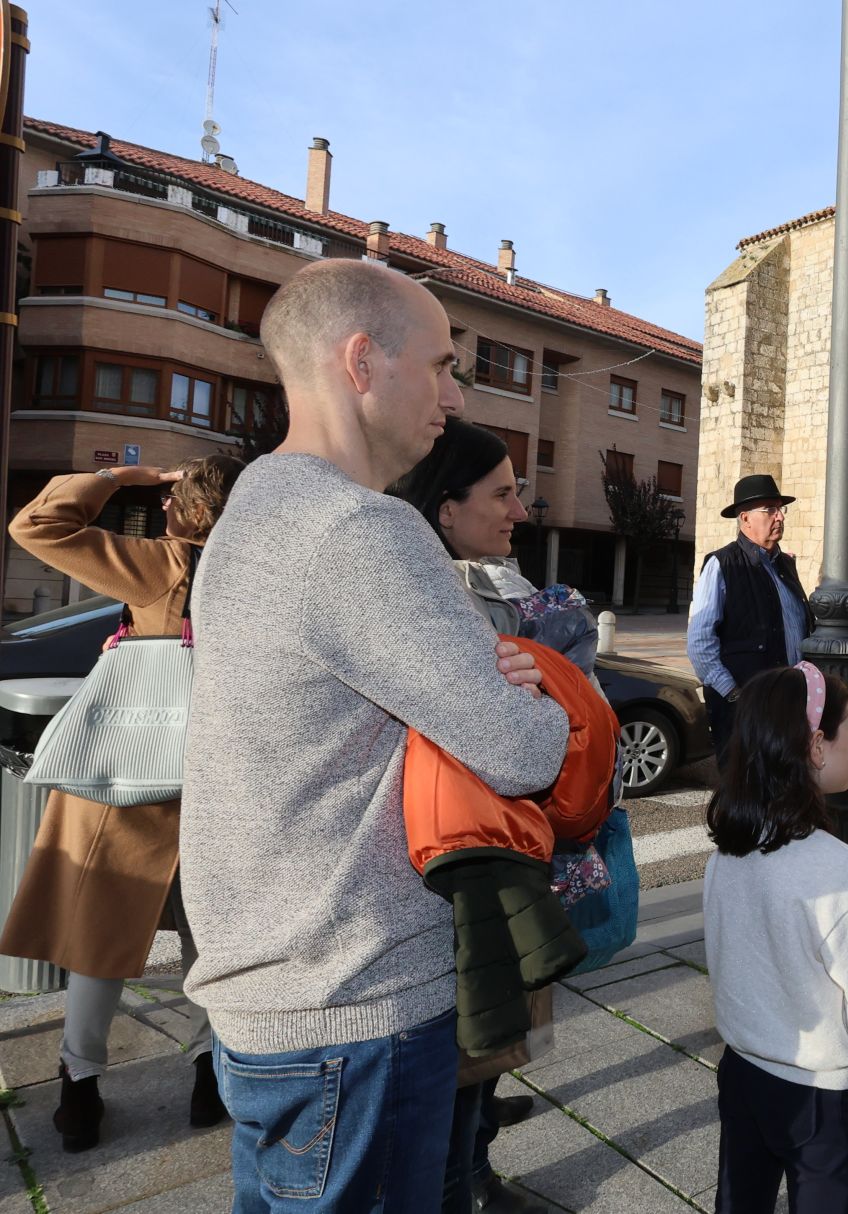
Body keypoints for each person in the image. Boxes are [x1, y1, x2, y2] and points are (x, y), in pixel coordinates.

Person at [179, 259, 571, 1213]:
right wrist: (544, 696)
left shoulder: (255, 510)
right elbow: (523, 750)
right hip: (354, 1008)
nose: (453, 396)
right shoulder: (359, 531)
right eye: (439, 366)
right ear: (361, 360)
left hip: (278, 995)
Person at [2, 454, 243, 1151]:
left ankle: (79, 1089)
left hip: (133, 776)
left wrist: (118, 479)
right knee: (213, 937)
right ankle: (208, 1075)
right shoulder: (261, 574)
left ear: (188, 510)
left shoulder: (162, 564)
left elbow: (38, 524)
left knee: (97, 937)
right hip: (222, 781)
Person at [391, 418, 571, 1214]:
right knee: (473, 1033)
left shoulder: (485, 585)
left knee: (482, 1040)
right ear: (444, 507)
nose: (520, 510)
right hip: (462, 864)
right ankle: (464, 1185)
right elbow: (521, 743)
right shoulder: (436, 604)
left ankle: (472, 1167)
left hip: (485, 853)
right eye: (501, 493)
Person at [704, 662, 848, 1214]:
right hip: (817, 1089)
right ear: (817, 745)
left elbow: (725, 957)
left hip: (742, 1068)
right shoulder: (836, 867)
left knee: (739, 1198)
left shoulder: (727, 848)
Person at [687, 474, 814, 760]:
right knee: (744, 791)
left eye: (781, 508)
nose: (779, 516)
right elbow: (699, 643)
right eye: (770, 509)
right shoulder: (722, 564)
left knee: (786, 788)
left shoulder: (786, 565)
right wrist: (734, 695)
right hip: (743, 710)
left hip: (788, 702)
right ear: (745, 519)